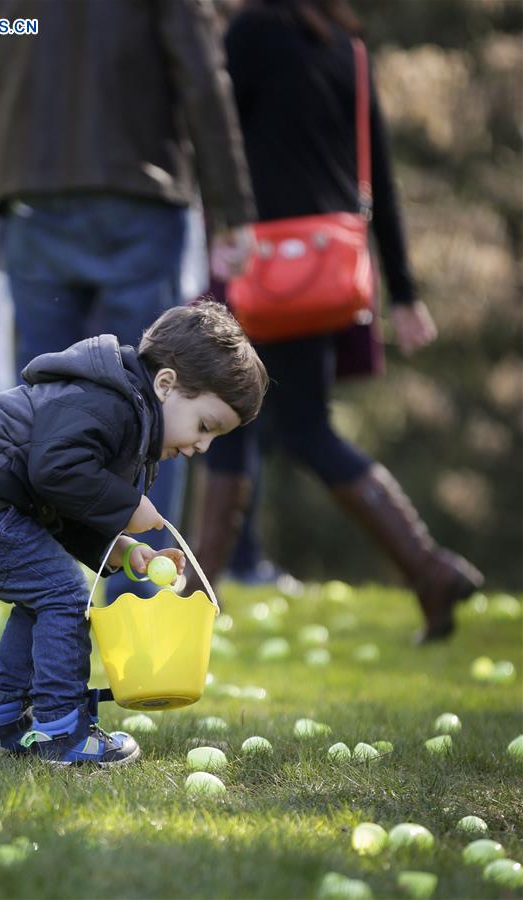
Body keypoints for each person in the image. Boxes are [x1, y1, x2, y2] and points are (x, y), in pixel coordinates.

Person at [0, 0, 256, 603]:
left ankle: (44, 602)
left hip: (33, 203)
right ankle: (147, 607)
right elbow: (201, 74)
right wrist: (233, 208)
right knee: (162, 409)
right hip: (139, 196)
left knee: (45, 413)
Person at [188, 0, 483, 642]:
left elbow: (211, 137)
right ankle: (427, 567)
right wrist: (401, 291)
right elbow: (378, 176)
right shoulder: (347, 47)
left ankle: (195, 603)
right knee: (303, 429)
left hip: (259, 268)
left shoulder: (250, 33)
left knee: (233, 419)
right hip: (326, 276)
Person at [0, 302, 268, 765]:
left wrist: (124, 550)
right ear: (166, 385)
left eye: (215, 438)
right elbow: (54, 472)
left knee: (44, 593)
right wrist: (128, 506)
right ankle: (62, 732)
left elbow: (60, 507)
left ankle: (2, 722)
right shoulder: (107, 403)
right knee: (64, 594)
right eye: (205, 426)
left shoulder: (127, 420)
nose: (201, 446)